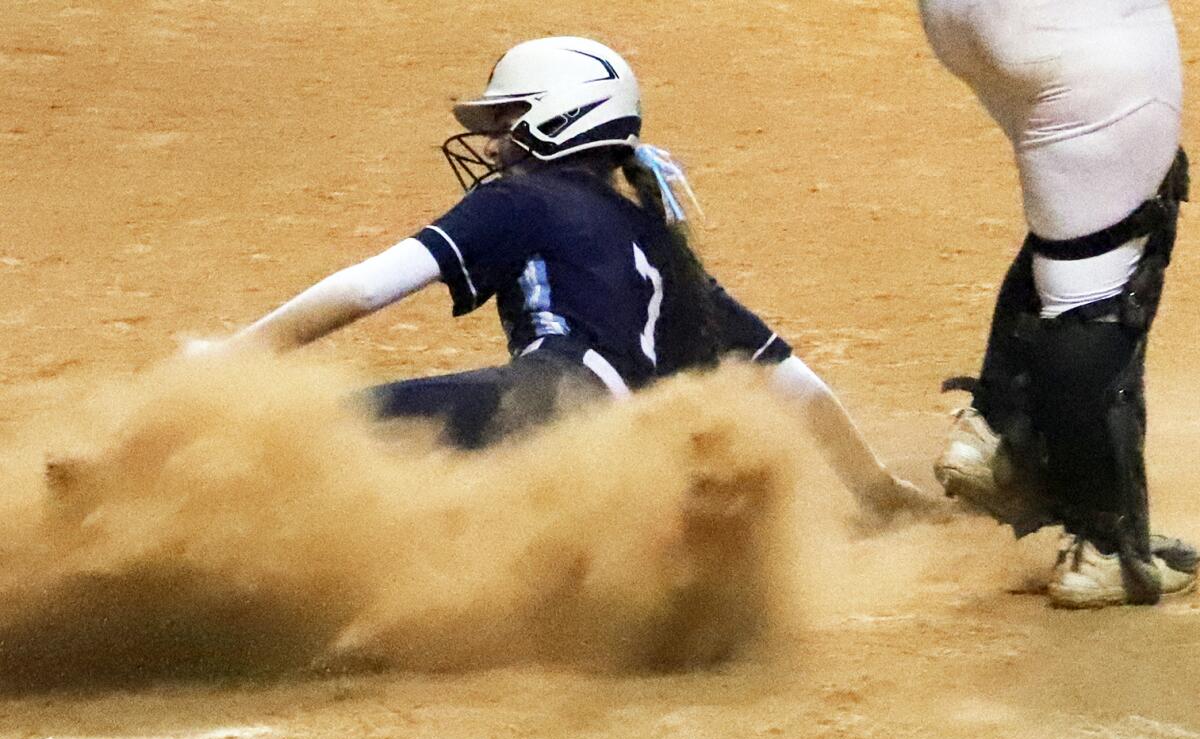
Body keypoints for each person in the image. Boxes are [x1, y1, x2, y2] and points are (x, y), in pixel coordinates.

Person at [186, 36, 938, 521]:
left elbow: (373, 284)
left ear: (560, 119)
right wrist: (877, 492)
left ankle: (167, 522)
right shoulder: (657, 240)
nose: (494, 142)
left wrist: (236, 357)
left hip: (558, 402)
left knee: (319, 433)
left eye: (508, 120)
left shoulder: (519, 198)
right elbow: (790, 376)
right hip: (634, 459)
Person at [918, 0, 1198, 606]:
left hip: (958, 20)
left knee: (1084, 216)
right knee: (1116, 249)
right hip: (1070, 32)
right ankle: (1105, 545)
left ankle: (998, 426)